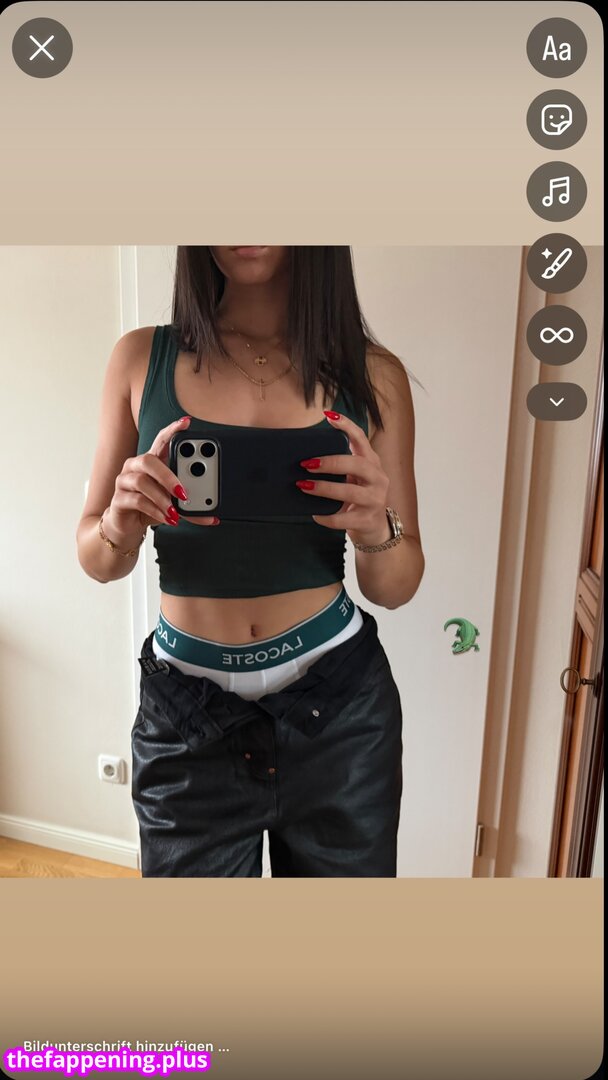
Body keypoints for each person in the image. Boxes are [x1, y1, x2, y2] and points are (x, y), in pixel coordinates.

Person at [76, 246, 424, 877]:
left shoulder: (375, 375)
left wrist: (377, 528)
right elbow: (97, 560)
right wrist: (119, 524)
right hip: (188, 715)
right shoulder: (139, 358)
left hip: (339, 712)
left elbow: (395, 587)